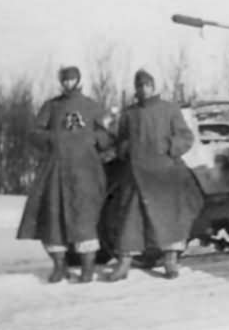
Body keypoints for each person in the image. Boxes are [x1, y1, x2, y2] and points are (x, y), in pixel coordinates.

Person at [105, 70, 204, 281]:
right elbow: (121, 141)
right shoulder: (129, 114)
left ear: (153, 86)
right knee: (130, 219)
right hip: (136, 174)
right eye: (139, 86)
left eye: (147, 85)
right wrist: (125, 148)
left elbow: (186, 137)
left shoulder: (169, 109)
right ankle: (124, 263)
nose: (144, 89)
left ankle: (170, 261)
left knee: (169, 219)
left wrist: (169, 146)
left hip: (163, 175)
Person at [16, 66, 112, 284]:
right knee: (54, 218)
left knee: (85, 218)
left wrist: (94, 138)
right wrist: (52, 139)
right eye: (65, 80)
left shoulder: (91, 105)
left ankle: (88, 267)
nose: (68, 84)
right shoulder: (51, 106)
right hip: (56, 169)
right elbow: (35, 133)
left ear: (78, 80)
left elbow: (106, 135)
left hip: (86, 170)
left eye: (72, 80)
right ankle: (60, 265)